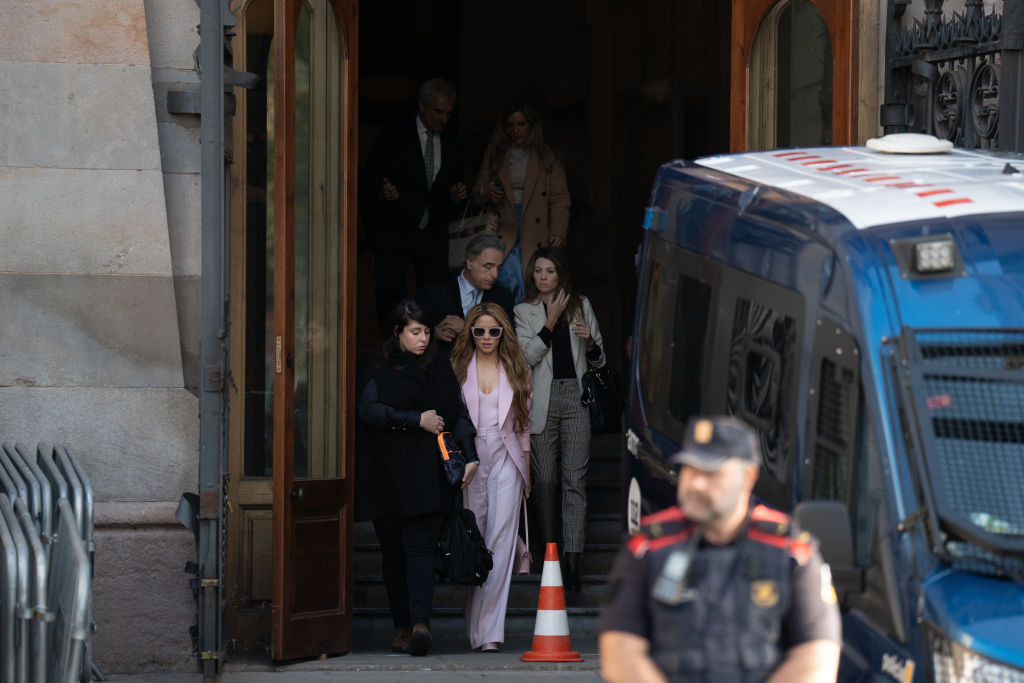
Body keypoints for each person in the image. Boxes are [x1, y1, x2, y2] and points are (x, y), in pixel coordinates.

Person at [598, 416, 842, 683]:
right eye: (690, 470)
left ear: (748, 477)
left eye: (711, 473)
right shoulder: (647, 548)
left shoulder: (790, 552)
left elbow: (816, 660)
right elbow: (620, 653)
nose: (696, 484)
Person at [357, 299, 479, 656]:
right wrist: (417, 420)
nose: (423, 339)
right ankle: (402, 626)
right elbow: (368, 410)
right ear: (397, 332)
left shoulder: (438, 363)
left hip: (427, 473)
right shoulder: (375, 362)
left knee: (421, 549)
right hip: (385, 474)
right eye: (415, 332)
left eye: (426, 331)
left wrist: (470, 456)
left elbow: (456, 413)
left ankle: (421, 624)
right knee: (393, 552)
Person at [513, 247, 604, 591]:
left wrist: (590, 342)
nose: (543, 277)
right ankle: (550, 551)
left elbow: (600, 360)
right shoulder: (524, 311)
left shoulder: (582, 305)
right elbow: (526, 357)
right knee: (545, 479)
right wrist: (550, 321)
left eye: (549, 271)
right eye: (538, 271)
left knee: (574, 481)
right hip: (542, 400)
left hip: (576, 397)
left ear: (561, 274)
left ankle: (572, 561)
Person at [449, 302, 533, 652]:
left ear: (503, 333)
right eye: (479, 330)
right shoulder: (457, 367)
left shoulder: (516, 366)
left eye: (494, 331)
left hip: (507, 457)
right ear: (470, 332)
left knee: (500, 541)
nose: (486, 337)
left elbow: (523, 425)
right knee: (474, 539)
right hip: (470, 459)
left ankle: (490, 633)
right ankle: (475, 626)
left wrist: (527, 472)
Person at [363, 78, 468, 328]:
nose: (444, 118)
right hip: (395, 227)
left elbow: (453, 183)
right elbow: (372, 176)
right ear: (422, 106)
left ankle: (430, 345)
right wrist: (385, 191)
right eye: (438, 111)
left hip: (433, 231)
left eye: (449, 113)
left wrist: (457, 193)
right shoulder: (395, 134)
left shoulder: (452, 140)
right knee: (390, 291)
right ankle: (391, 344)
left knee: (435, 293)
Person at [473, 97, 570, 304]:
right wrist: (486, 191)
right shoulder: (497, 153)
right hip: (503, 226)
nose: (515, 130)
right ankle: (508, 322)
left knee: (530, 281)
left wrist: (558, 230)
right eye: (510, 125)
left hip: (534, 228)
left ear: (532, 125)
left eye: (521, 124)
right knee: (506, 279)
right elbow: (477, 192)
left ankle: (521, 323)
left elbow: (560, 197)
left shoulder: (547, 157)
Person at [417, 233, 515, 354]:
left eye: (498, 268)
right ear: (469, 262)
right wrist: (431, 332)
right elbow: (408, 325)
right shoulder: (434, 292)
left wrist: (467, 328)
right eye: (488, 266)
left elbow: (510, 342)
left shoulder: (503, 297)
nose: (495, 275)